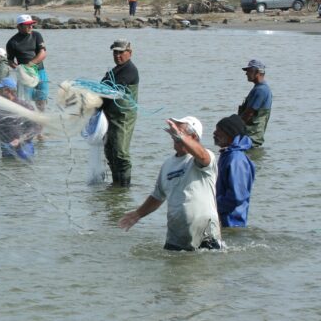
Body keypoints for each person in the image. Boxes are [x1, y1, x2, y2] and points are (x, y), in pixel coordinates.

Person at [118, 116, 222, 251]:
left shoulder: (204, 157)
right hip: (177, 234)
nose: (175, 134)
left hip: (205, 230)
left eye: (180, 131)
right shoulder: (168, 164)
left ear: (194, 137)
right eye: (174, 131)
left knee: (205, 268)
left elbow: (202, 156)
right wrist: (138, 214)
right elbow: (157, 196)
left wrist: (181, 137)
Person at [102, 38, 139, 186]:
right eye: (115, 52)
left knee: (121, 153)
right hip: (109, 117)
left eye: (121, 52)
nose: (117, 55)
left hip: (123, 117)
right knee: (110, 152)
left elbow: (114, 90)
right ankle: (115, 186)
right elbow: (102, 89)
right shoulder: (113, 71)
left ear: (129, 53)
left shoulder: (130, 70)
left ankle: (124, 188)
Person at [213, 114, 256, 228]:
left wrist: (214, 206)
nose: (214, 133)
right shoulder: (227, 155)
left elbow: (237, 196)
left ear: (230, 134)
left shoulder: (236, 159)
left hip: (232, 222)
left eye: (219, 130)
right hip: (224, 219)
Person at [6, 14, 48, 112]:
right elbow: (10, 61)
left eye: (31, 24)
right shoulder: (12, 42)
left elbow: (43, 53)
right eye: (27, 25)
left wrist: (30, 64)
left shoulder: (36, 35)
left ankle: (41, 117)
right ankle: (28, 119)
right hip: (25, 75)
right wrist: (18, 69)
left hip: (39, 71)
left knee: (41, 97)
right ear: (19, 26)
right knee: (26, 100)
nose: (30, 27)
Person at [237, 59, 272, 148]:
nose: (246, 74)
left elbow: (249, 113)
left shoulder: (261, 90)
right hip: (250, 137)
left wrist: (234, 128)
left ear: (257, 72)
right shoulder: (260, 88)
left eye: (249, 71)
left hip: (251, 138)